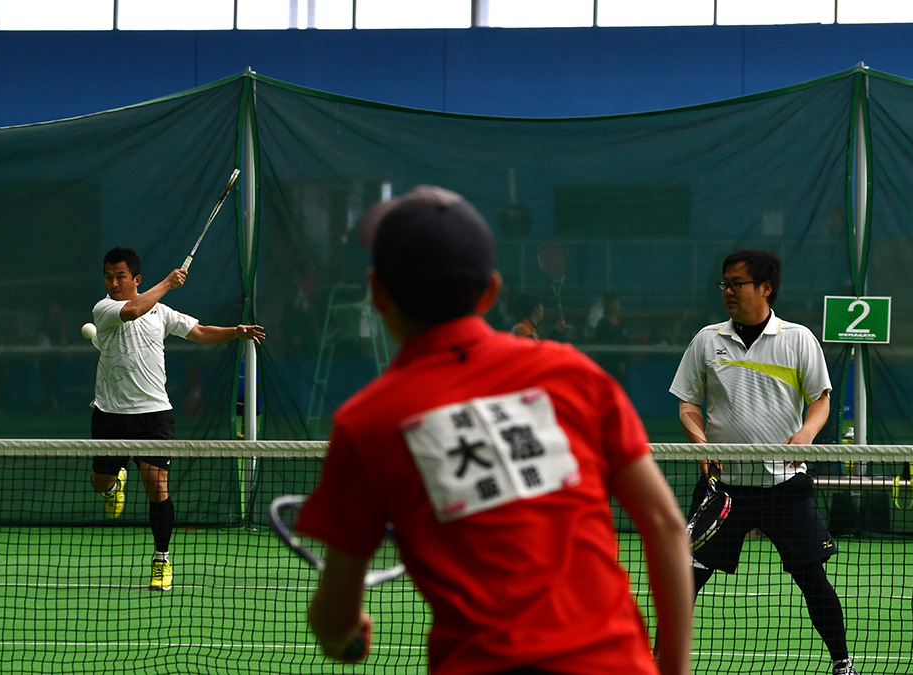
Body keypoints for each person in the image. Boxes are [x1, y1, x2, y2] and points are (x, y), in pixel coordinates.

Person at [295, 186, 693, 675]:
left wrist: (341, 633)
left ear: (377, 291)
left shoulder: (367, 423)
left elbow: (335, 622)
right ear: (491, 291)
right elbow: (666, 526)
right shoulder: (573, 374)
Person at [669, 249, 858, 675]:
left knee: (812, 578)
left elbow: (821, 401)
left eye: (737, 283)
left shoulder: (798, 339)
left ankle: (842, 664)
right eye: (725, 284)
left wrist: (806, 434)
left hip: (785, 487)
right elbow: (687, 403)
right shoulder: (707, 339)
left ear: (765, 288)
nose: (728, 292)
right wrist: (701, 442)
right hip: (723, 490)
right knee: (685, 577)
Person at [89, 246, 266, 591]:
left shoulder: (162, 313)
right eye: (108, 276)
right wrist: (169, 282)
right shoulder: (105, 308)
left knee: (157, 487)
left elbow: (199, 332)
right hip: (110, 414)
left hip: (154, 414)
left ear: (135, 279)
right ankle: (113, 484)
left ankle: (161, 559)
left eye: (120, 276)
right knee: (99, 483)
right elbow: (134, 310)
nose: (113, 282)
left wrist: (235, 332)